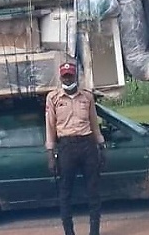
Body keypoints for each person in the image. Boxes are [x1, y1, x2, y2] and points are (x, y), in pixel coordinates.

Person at [45, 63, 106, 235]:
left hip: (87, 144)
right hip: (66, 147)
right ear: (60, 77)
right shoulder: (53, 98)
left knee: (93, 190)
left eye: (70, 75)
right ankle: (69, 232)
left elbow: (94, 124)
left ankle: (94, 231)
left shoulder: (87, 97)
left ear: (75, 76)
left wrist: (101, 146)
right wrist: (50, 153)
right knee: (65, 192)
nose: (67, 78)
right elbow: (50, 127)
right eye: (65, 76)